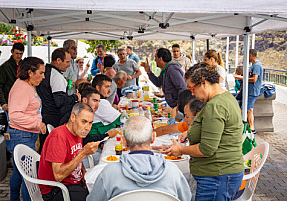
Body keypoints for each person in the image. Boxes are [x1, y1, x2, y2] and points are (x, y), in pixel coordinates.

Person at [165, 65, 244, 200]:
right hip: (220, 175)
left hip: (217, 176)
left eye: (192, 88)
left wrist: (181, 150)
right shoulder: (225, 97)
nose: (193, 93)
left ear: (204, 83)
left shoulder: (215, 105)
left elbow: (207, 149)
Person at [87, 116, 192, 201]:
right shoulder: (172, 171)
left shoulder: (110, 172)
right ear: (153, 139)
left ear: (124, 142)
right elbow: (186, 198)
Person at [38, 103, 100, 201]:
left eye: (90, 123)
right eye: (84, 121)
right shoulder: (58, 137)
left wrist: (83, 173)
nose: (87, 128)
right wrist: (83, 153)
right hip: (56, 189)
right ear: (72, 117)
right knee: (93, 198)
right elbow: (58, 176)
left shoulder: (77, 131)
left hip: (73, 183)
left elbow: (75, 156)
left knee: (101, 188)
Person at [6, 57, 46, 201]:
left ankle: (14, 199)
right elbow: (15, 115)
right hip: (22, 136)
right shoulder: (22, 88)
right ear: (30, 72)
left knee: (19, 172)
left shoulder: (27, 85)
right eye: (40, 73)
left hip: (25, 135)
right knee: (29, 177)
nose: (43, 76)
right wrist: (37, 124)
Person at [36, 48, 81, 154]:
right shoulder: (55, 75)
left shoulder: (45, 71)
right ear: (58, 60)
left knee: (44, 148)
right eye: (67, 62)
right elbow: (59, 101)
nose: (69, 65)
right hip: (53, 118)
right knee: (51, 150)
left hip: (44, 115)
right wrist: (75, 97)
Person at [234, 49, 263, 133]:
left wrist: (240, 78)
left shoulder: (257, 65)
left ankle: (240, 128)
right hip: (250, 91)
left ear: (250, 55)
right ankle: (251, 128)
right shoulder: (254, 65)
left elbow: (254, 79)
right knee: (249, 110)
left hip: (252, 91)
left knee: (243, 110)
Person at [0, 42, 24, 111]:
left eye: (21, 54)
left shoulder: (24, 66)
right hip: (10, 103)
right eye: (17, 53)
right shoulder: (4, 67)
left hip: (23, 102)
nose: (19, 56)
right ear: (12, 52)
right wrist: (3, 103)